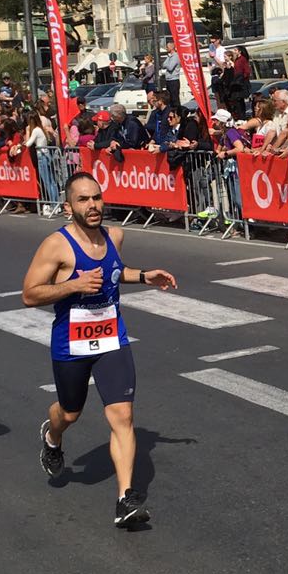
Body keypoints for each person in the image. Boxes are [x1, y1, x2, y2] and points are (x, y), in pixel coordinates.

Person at [21, 171, 177, 529]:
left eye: (96, 198)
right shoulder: (56, 246)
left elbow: (113, 271)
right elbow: (30, 294)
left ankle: (126, 498)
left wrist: (143, 275)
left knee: (122, 416)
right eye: (83, 200)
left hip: (111, 338)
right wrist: (73, 285)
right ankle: (53, 435)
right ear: (68, 207)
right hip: (71, 343)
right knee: (70, 413)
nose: (93, 206)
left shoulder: (115, 236)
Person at [161, 42, 181, 109]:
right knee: (169, 99)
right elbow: (163, 65)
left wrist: (167, 65)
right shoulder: (169, 56)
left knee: (175, 99)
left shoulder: (175, 56)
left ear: (171, 47)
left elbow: (170, 67)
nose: (166, 48)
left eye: (167, 47)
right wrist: (168, 58)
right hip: (168, 80)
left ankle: (177, 113)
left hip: (174, 80)